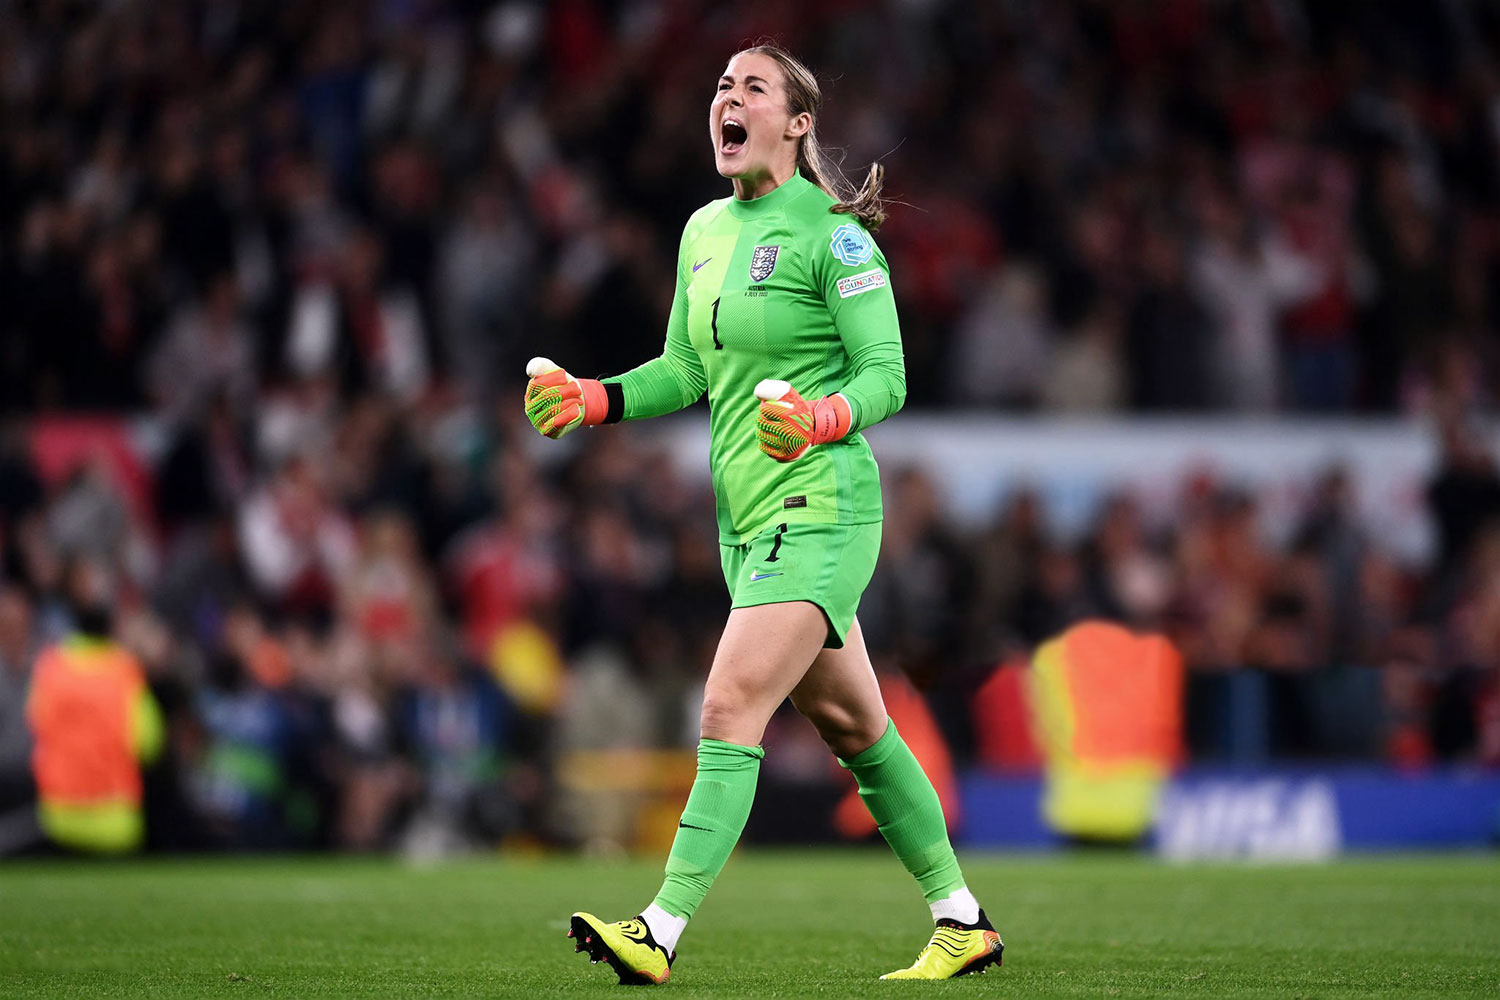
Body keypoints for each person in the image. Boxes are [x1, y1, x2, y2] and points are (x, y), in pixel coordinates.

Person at [524, 44, 1001, 984]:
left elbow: (888, 377)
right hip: (745, 523)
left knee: (730, 702)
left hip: (823, 506)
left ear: (798, 123)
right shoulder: (702, 230)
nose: (727, 101)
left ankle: (657, 930)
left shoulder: (834, 233)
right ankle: (962, 919)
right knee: (859, 731)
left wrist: (821, 418)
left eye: (752, 89)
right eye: (720, 88)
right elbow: (686, 371)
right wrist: (595, 398)